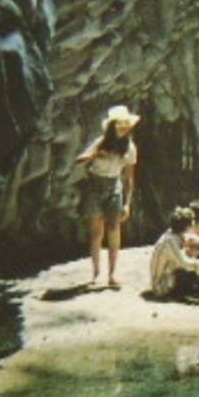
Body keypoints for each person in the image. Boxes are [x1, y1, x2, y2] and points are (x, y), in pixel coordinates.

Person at [75, 104, 140, 288]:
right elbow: (80, 159)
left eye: (125, 126)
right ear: (112, 127)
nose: (123, 129)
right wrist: (95, 153)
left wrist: (127, 204)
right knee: (96, 232)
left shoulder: (130, 148)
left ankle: (112, 274)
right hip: (95, 184)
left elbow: (129, 178)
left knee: (114, 230)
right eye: (119, 125)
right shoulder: (100, 141)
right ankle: (96, 273)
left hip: (114, 186)